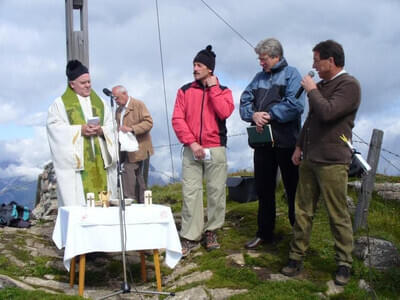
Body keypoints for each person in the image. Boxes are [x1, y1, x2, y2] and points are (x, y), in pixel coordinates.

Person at [281, 40, 361, 286]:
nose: (313, 64)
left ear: (331, 61)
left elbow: (328, 112)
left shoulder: (349, 85)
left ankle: (344, 263)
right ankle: (296, 258)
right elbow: (312, 119)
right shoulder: (323, 85)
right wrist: (298, 146)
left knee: (337, 214)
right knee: (303, 210)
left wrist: (312, 90)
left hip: (333, 161)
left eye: (316, 59)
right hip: (310, 158)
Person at [239, 38, 304, 249]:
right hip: (263, 144)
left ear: (276, 56)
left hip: (287, 143)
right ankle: (264, 233)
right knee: (264, 189)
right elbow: (244, 102)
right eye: (259, 58)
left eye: (263, 58)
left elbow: (296, 105)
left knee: (293, 189)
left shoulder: (292, 74)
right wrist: (253, 115)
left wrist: (269, 115)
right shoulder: (258, 78)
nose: (260, 62)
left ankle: (299, 236)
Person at [172, 45, 234, 256]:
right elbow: (177, 119)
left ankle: (212, 231)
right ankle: (190, 235)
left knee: (216, 192)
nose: (195, 68)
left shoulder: (224, 91)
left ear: (210, 69)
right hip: (192, 149)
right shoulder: (184, 91)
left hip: (215, 147)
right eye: (194, 64)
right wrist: (192, 143)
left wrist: (214, 89)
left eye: (199, 65)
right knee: (190, 193)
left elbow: (224, 112)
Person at [47, 60, 117, 207]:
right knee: (80, 205)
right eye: (83, 83)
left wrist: (102, 130)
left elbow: (112, 125)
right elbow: (54, 128)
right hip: (79, 169)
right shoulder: (60, 104)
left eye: (89, 82)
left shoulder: (101, 103)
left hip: (100, 164)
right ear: (72, 84)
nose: (88, 85)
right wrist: (79, 130)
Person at [112, 85, 154, 203]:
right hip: (125, 147)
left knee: (128, 168)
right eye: (114, 99)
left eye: (117, 98)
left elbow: (149, 122)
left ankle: (128, 198)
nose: (116, 101)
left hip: (138, 147)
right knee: (138, 175)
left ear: (125, 94)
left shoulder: (138, 105)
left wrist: (132, 129)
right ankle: (143, 200)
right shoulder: (118, 110)